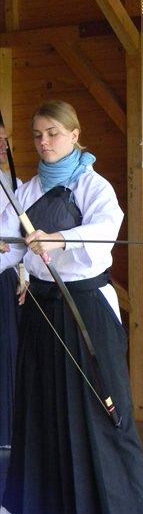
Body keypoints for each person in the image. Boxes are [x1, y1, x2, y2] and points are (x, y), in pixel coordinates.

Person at [0, 100, 143, 514]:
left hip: (85, 306)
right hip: (41, 309)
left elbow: (106, 230)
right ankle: (21, 509)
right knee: (37, 410)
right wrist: (7, 248)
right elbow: (11, 246)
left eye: (53, 133)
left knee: (105, 410)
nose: (44, 142)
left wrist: (59, 239)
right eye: (37, 135)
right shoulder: (26, 190)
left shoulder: (92, 184)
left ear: (74, 134)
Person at [0, 123, 23, 451]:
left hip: (5, 278)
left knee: (7, 352)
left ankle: (6, 431)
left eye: (5, 138)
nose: (3, 145)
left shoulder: (11, 182)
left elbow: (20, 235)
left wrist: (25, 274)